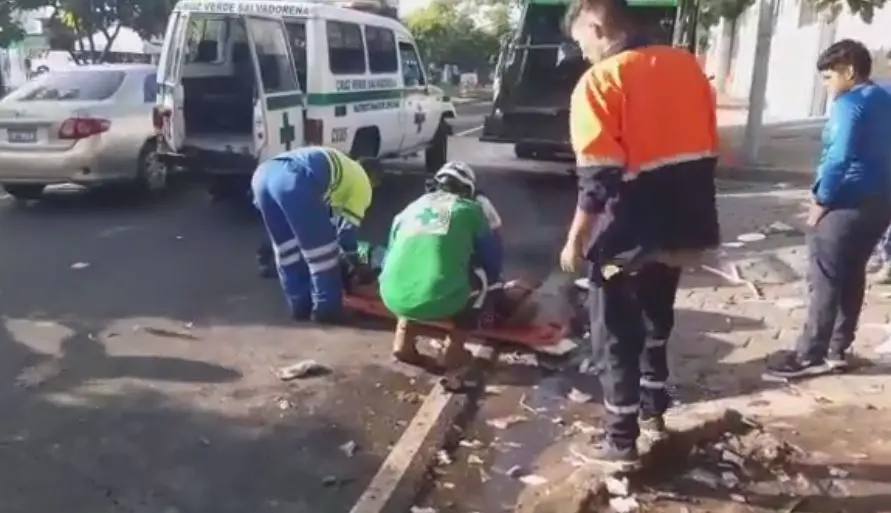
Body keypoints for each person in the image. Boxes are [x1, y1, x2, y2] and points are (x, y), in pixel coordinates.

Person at [560, 0, 720, 467]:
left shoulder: (601, 81)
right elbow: (708, 146)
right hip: (682, 232)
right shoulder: (688, 67)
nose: (584, 53)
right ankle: (655, 410)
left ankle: (619, 440)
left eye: (581, 41)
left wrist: (576, 241)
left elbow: (597, 179)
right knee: (656, 321)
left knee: (612, 332)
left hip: (622, 244)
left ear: (596, 22)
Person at [765, 40, 891, 378]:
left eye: (828, 77)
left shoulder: (848, 104)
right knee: (852, 272)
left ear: (849, 71)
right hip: (881, 202)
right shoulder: (884, 98)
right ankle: (838, 347)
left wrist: (821, 201)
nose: (827, 85)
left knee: (825, 278)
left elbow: (838, 157)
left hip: (846, 201)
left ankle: (810, 354)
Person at [378, 161, 504, 369]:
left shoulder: (411, 208)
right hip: (437, 299)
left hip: (392, 296)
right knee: (484, 279)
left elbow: (390, 254)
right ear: (467, 189)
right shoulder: (470, 209)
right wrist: (496, 290)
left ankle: (403, 341)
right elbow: (492, 258)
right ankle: (454, 350)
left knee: (410, 269)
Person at [251, 146, 372, 323]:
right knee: (323, 254)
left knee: (287, 250)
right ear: (374, 179)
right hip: (295, 177)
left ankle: (299, 305)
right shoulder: (363, 183)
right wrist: (357, 264)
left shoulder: (345, 169)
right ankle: (327, 309)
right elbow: (346, 233)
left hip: (263, 175)